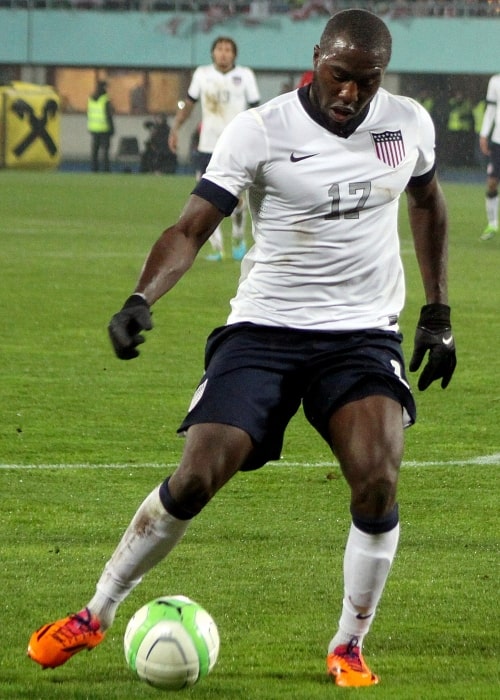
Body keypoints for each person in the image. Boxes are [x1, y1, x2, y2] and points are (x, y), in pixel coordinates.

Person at [27, 9, 456, 688]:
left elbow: (428, 202)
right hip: (265, 329)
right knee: (198, 473)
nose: (350, 94)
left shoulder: (405, 124)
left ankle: (348, 644)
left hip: (362, 334)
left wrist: (436, 311)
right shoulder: (260, 129)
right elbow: (192, 227)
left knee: (377, 477)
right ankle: (95, 612)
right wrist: (141, 298)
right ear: (316, 60)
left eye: (366, 83)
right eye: (340, 77)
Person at [168, 36, 260, 262]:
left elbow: (257, 109)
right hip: (207, 146)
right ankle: (216, 248)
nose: (223, 53)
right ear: (212, 53)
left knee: (238, 198)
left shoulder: (245, 75)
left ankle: (238, 237)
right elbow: (189, 105)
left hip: (237, 145)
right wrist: (175, 128)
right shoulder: (202, 74)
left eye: (228, 49)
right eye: (219, 49)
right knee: (206, 198)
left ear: (234, 54)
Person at [478, 73, 500, 240]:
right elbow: (491, 109)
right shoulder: (495, 81)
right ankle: (492, 224)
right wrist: (484, 134)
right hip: (498, 141)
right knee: (492, 182)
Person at [87, 80, 114, 173]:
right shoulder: (105, 100)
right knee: (105, 151)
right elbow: (108, 116)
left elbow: (89, 114)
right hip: (104, 128)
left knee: (95, 151)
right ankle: (106, 170)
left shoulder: (91, 99)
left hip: (94, 128)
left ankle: (94, 169)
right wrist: (112, 128)